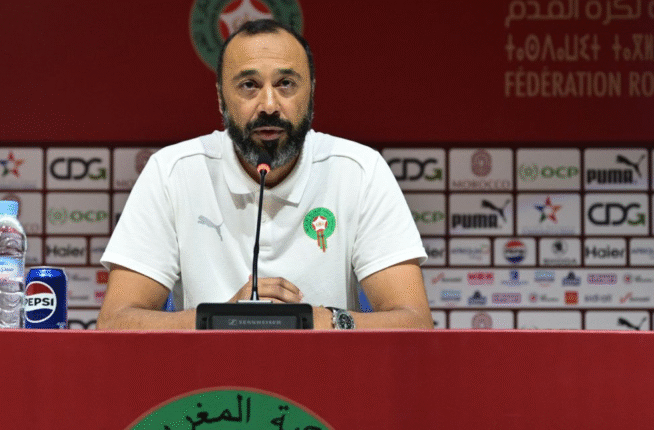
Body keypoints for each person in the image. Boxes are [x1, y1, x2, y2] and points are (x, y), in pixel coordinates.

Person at [97, 19, 432, 330]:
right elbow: (116, 321)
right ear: (220, 98)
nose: (269, 104)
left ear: (311, 93)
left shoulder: (360, 170)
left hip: (327, 371)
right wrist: (223, 320)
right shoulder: (172, 172)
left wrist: (323, 321)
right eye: (249, 85)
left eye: (286, 84)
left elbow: (414, 322)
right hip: (211, 373)